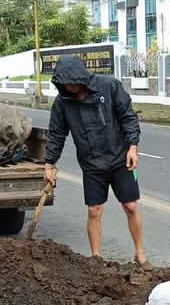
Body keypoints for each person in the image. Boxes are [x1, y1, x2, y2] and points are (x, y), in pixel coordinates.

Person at [43, 55, 150, 268]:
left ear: (81, 77)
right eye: (66, 84)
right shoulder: (63, 102)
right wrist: (49, 164)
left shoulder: (109, 86)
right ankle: (96, 259)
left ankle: (140, 254)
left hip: (120, 158)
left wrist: (133, 147)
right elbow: (56, 134)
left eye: (73, 82)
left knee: (130, 206)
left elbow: (128, 116)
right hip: (91, 163)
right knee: (94, 210)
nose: (70, 87)